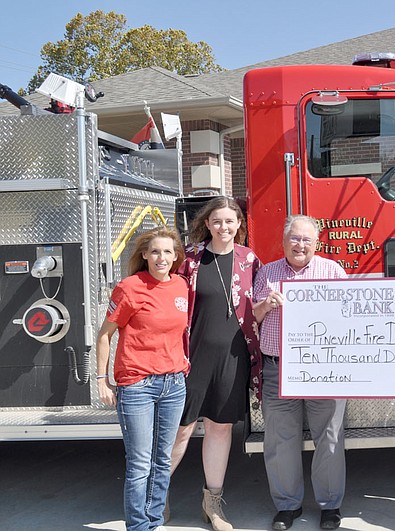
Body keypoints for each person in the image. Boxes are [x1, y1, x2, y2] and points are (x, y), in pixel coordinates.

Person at [168, 197, 263, 531]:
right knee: (181, 428)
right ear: (206, 224)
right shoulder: (190, 259)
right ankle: (154, 497)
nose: (224, 227)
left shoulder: (250, 260)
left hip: (233, 356)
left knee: (221, 428)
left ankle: (212, 504)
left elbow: (256, 310)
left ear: (240, 224)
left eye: (230, 221)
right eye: (217, 221)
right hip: (191, 357)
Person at [253, 215, 348, 531]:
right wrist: (267, 304)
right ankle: (287, 506)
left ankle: (330, 506)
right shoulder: (267, 273)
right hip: (278, 368)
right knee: (281, 440)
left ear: (316, 243)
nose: (300, 244)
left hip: (324, 368)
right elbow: (254, 316)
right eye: (294, 238)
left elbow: (351, 317)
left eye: (307, 239)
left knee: (330, 438)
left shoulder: (332, 272)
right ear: (283, 241)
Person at [96, 226, 189, 531]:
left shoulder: (181, 286)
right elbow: (104, 336)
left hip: (174, 384)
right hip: (138, 385)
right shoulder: (130, 287)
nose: (161, 257)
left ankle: (153, 521)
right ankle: (138, 526)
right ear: (145, 255)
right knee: (139, 464)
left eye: (167, 252)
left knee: (162, 461)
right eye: (155, 252)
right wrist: (102, 380)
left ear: (176, 256)